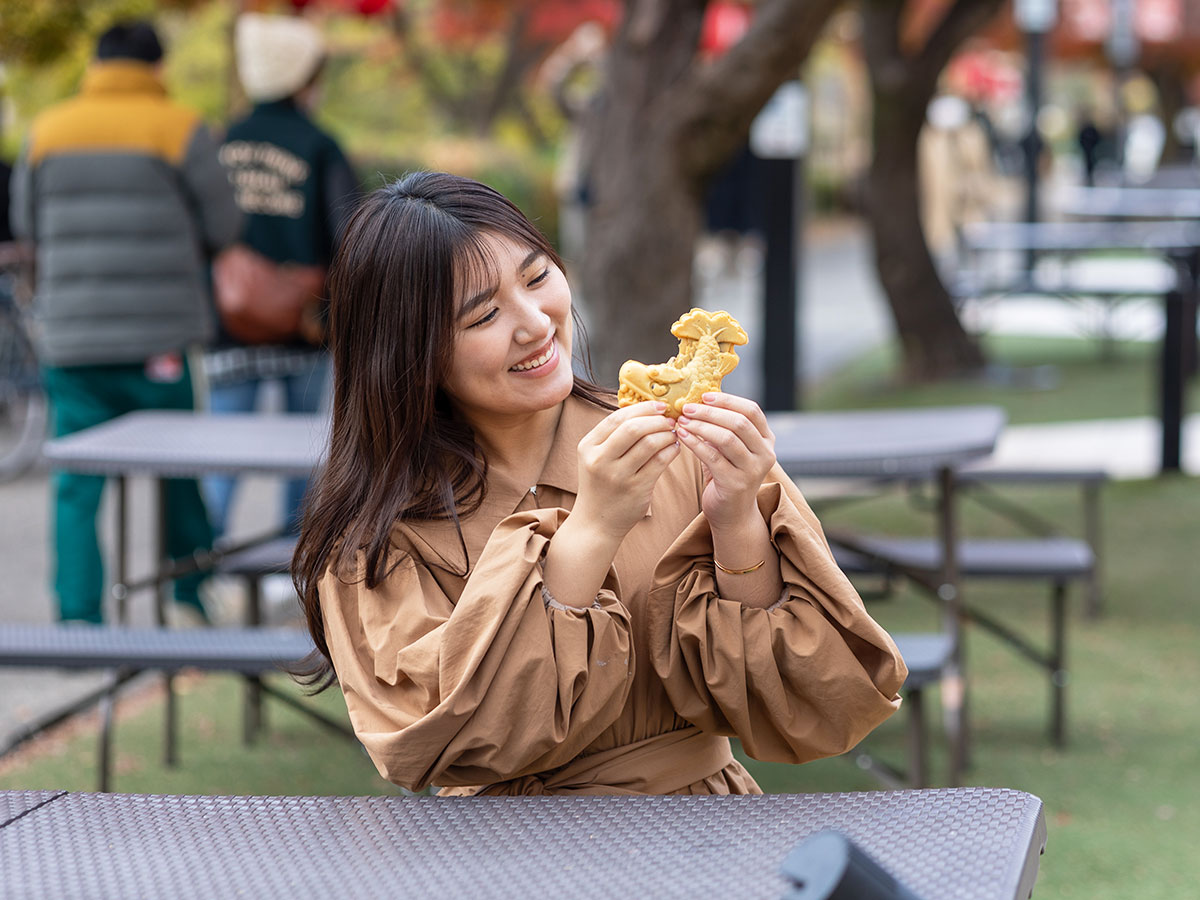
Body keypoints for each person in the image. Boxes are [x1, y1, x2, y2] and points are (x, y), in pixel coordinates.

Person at [292, 172, 906, 796]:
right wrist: (595, 526)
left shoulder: (681, 443)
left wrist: (737, 520)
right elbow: (435, 737)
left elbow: (817, 703)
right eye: (483, 315)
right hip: (503, 863)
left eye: (537, 278)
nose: (535, 323)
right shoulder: (377, 535)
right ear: (408, 351)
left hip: (703, 839)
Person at [9, 21, 240, 624]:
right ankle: (189, 593)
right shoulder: (180, 127)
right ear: (157, 68)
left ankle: (79, 615)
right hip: (158, 341)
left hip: (72, 341)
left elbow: (26, 225)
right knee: (176, 470)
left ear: (97, 63)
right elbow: (223, 228)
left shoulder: (47, 130)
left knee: (77, 485)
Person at [204, 12, 359, 539]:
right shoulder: (320, 145)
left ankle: (206, 568)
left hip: (229, 324)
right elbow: (349, 235)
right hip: (304, 326)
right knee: (302, 454)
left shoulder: (221, 142)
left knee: (223, 452)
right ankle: (289, 564)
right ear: (301, 76)